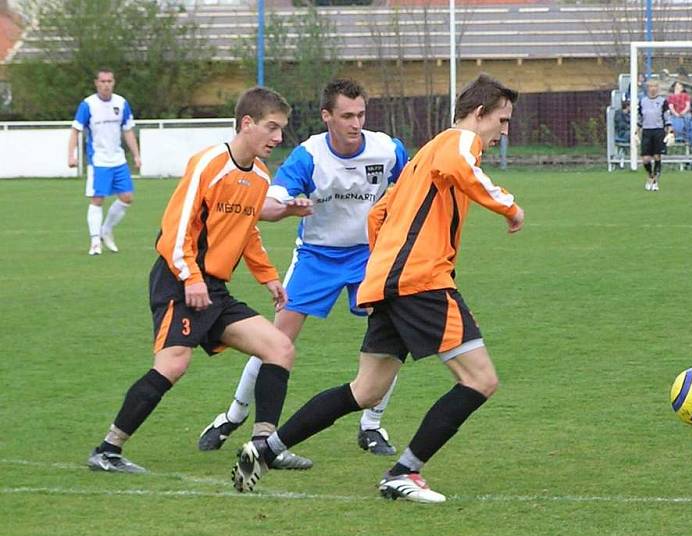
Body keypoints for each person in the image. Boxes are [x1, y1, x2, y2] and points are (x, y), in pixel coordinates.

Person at [230, 74, 525, 503]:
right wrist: (509, 207)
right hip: (419, 282)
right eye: (502, 119)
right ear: (479, 114)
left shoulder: (425, 153)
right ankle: (404, 472)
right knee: (481, 380)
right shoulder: (459, 142)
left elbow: (379, 214)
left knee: (365, 390)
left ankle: (264, 448)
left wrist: (384, 265)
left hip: (388, 281)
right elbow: (464, 169)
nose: (505, 129)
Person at [197, 79, 409, 464]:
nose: (355, 123)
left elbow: (411, 189)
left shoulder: (388, 149)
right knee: (275, 339)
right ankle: (233, 416)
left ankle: (372, 424)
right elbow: (272, 197)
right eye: (346, 115)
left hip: (369, 256)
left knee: (394, 334)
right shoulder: (308, 156)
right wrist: (286, 202)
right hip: (316, 256)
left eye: (360, 114)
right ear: (327, 116)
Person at [87, 87, 295, 473]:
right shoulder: (209, 163)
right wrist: (192, 277)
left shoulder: (261, 176)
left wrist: (268, 277)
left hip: (213, 288)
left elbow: (247, 231)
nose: (278, 137)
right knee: (173, 364)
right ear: (247, 123)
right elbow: (175, 227)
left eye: (281, 129)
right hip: (179, 282)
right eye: (272, 127)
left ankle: (265, 447)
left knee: (279, 348)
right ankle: (107, 450)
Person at [68, 68, 141, 256]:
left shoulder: (121, 103)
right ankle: (94, 242)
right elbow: (75, 130)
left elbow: (128, 130)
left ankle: (106, 230)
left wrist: (136, 155)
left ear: (114, 83)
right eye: (103, 81)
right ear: (96, 83)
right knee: (97, 199)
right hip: (98, 161)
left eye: (109, 81)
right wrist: (71, 155)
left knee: (127, 197)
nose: (106, 85)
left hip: (118, 159)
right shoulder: (88, 105)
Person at [637, 79, 672, 192]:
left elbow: (667, 117)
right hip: (647, 131)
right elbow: (640, 118)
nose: (653, 88)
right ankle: (650, 176)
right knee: (646, 159)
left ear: (658, 88)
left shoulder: (663, 101)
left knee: (657, 156)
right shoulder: (643, 101)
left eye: (655, 86)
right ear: (648, 88)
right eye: (651, 86)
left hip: (658, 131)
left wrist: (670, 131)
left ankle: (655, 181)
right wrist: (636, 131)